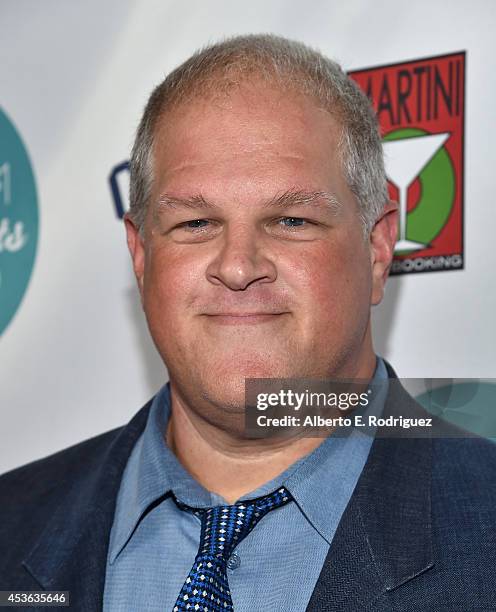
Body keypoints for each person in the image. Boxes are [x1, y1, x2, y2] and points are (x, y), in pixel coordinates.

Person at [0, 34, 495, 612]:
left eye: (291, 220)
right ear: (140, 256)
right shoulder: (13, 523)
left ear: (378, 249)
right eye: (195, 223)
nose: (237, 267)